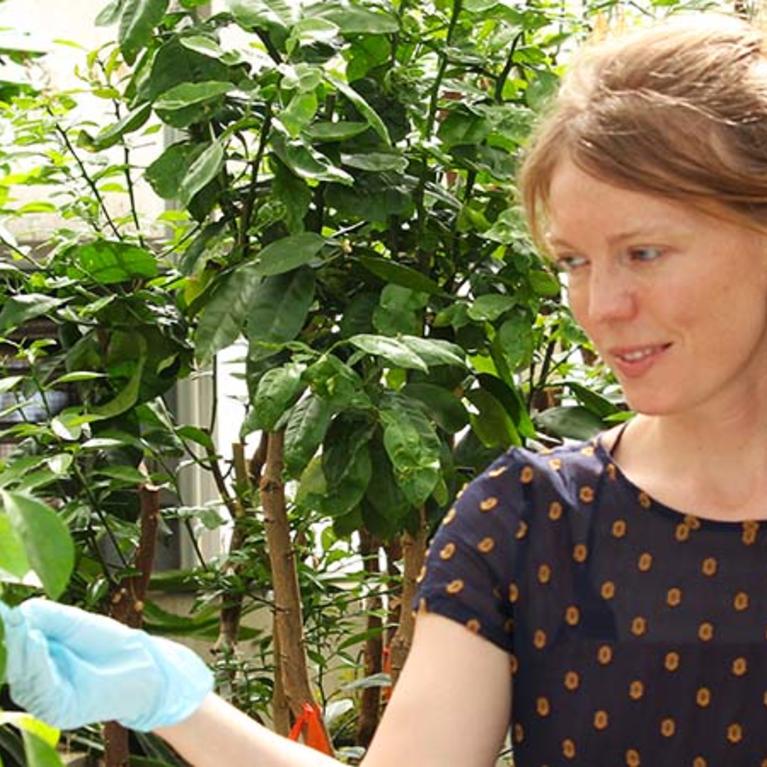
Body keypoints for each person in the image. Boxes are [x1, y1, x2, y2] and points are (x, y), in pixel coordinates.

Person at [3, 9, 767, 766]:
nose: (600, 306)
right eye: (571, 260)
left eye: (643, 251)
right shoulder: (534, 522)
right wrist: (173, 702)